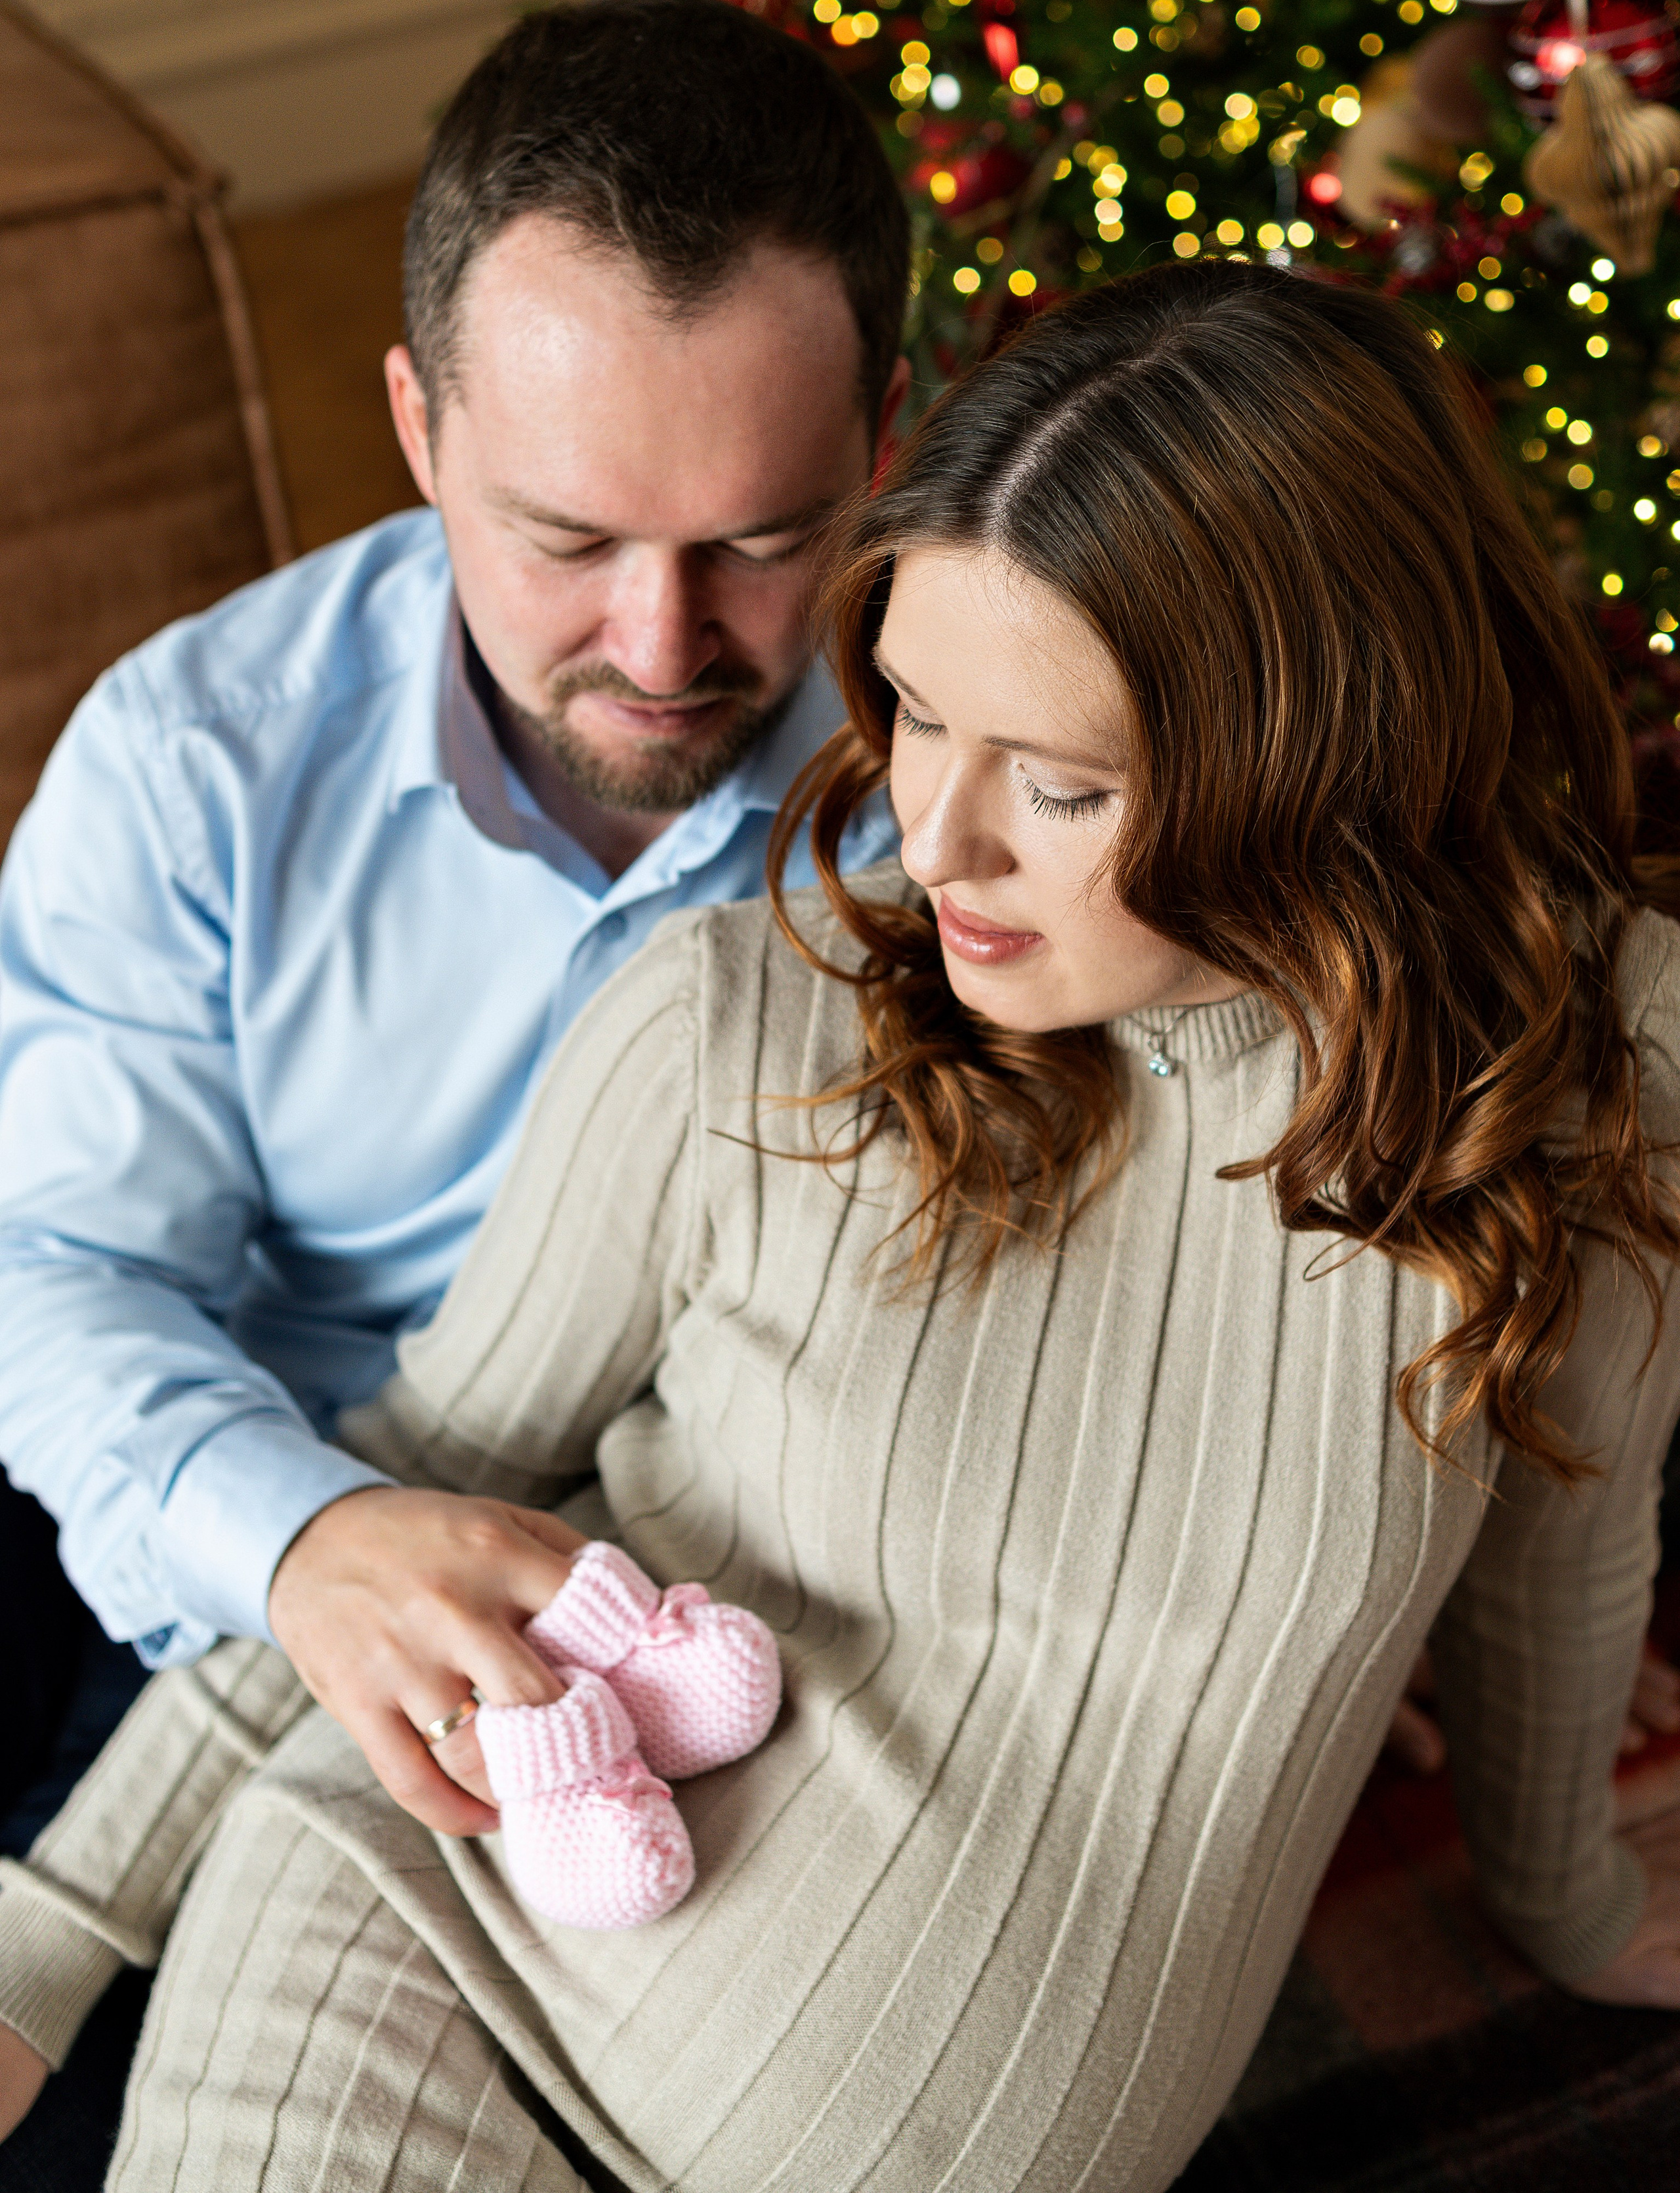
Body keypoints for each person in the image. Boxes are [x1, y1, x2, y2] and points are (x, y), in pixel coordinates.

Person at [5, 259, 1679, 2191]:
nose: (935, 841)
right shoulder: (733, 1024)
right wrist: (44, 1943)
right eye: (909, 713)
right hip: (413, 1978)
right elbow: (411, 1503)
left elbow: (1570, 1537)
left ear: (1319, 755)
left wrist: (1570, 1900)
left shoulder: (1591, 1074)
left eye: (1058, 785)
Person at [0, 0, 905, 1821]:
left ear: (881, 446)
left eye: (758, 540)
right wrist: (310, 1541)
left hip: (780, 1570)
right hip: (283, 1541)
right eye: (565, 539)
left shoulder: (981, 757)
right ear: (419, 431)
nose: (662, 648)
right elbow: (64, 1275)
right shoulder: (193, 769)